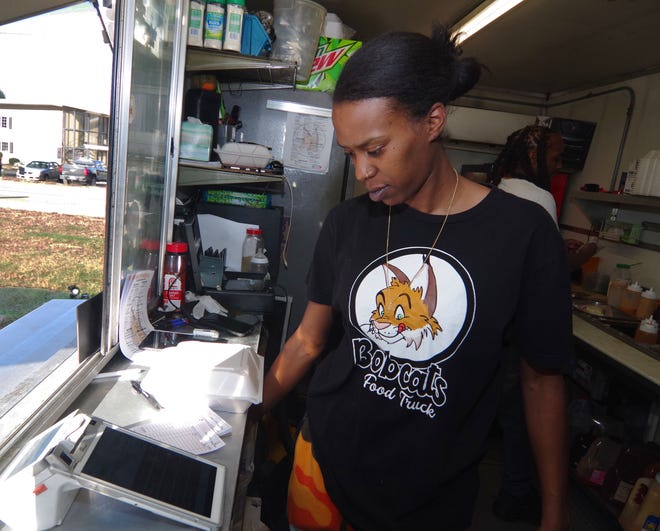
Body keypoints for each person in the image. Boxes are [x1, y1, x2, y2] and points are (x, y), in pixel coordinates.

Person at [261, 24, 572, 531]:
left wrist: (555, 512)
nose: (363, 170)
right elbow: (307, 343)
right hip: (322, 464)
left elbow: (541, 382)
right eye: (351, 154)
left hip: (427, 499)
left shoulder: (523, 234)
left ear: (432, 121)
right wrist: (250, 411)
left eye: (376, 149)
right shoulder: (347, 223)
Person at [487, 125, 598, 272]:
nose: (559, 165)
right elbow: (554, 263)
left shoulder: (496, 186)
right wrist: (588, 251)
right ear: (533, 157)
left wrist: (559, 245)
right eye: (555, 158)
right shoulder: (539, 197)